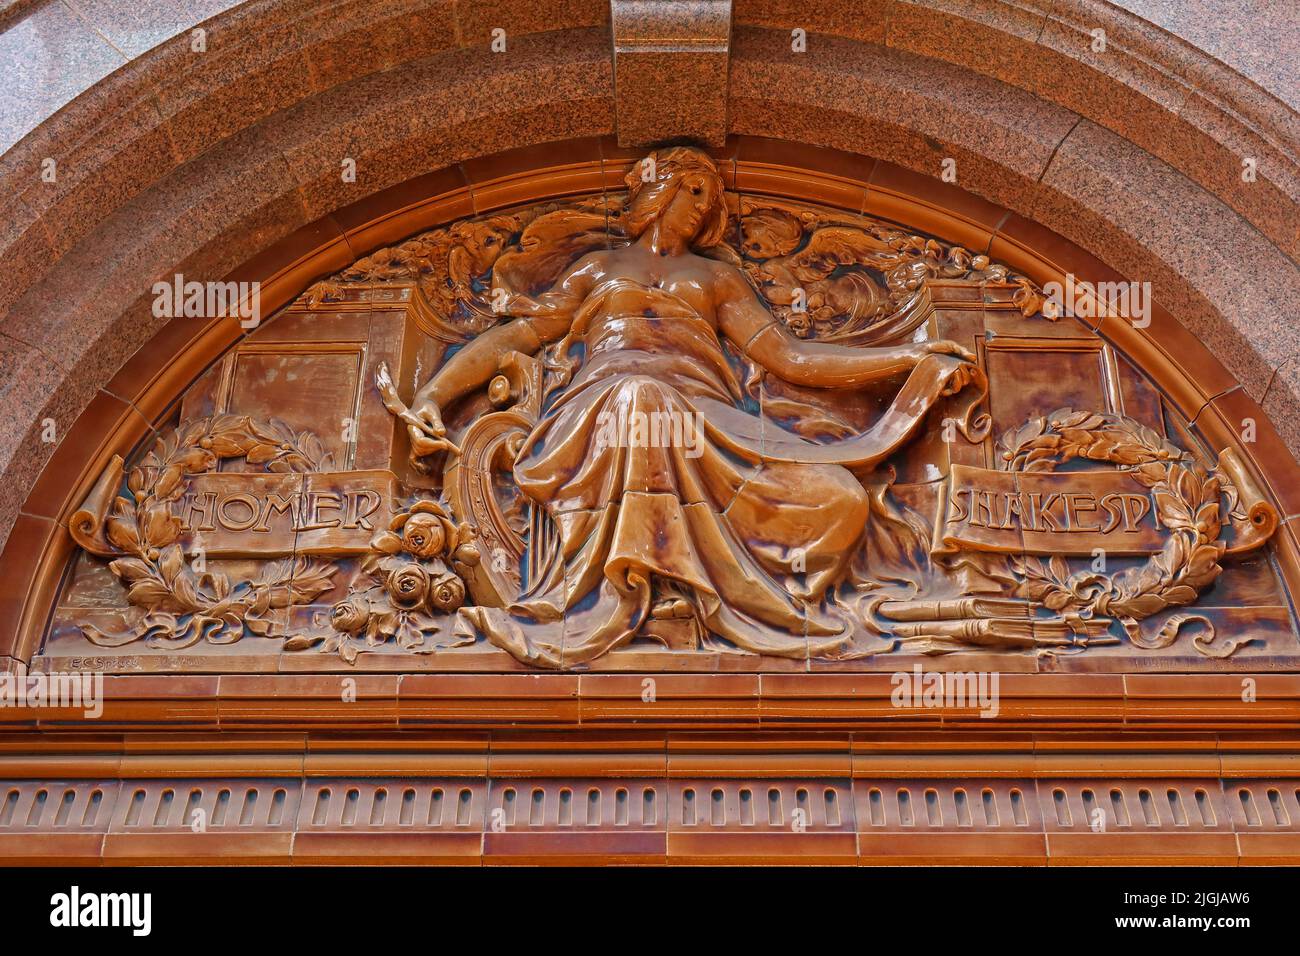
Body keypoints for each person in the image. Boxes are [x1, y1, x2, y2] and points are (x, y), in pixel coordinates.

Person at [406, 147, 986, 668]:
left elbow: (794, 361)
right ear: (659, 192)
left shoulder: (716, 279)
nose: (705, 207)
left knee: (841, 499)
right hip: (603, 410)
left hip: (711, 420)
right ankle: (629, 584)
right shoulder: (597, 271)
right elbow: (514, 339)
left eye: (710, 197)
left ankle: (747, 600)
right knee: (643, 398)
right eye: (695, 190)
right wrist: (434, 394)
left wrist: (910, 357)